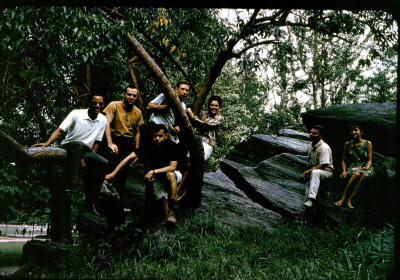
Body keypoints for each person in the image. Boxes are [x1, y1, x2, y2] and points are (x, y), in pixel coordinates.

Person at [32, 93, 109, 216]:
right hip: (69, 146)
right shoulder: (76, 114)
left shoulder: (103, 119)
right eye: (95, 103)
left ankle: (91, 201)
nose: (98, 106)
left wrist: (88, 161)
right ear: (89, 103)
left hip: (85, 151)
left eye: (101, 103)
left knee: (104, 163)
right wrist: (47, 143)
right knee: (79, 144)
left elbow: (96, 144)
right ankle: (69, 184)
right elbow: (59, 131)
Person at [103, 86, 144, 200]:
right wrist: (110, 142)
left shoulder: (138, 112)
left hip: (127, 142)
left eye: (134, 95)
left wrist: (136, 150)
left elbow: (137, 132)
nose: (131, 97)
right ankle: (103, 199)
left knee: (123, 173)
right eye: (129, 94)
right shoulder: (114, 105)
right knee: (109, 167)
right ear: (124, 94)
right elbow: (106, 123)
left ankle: (118, 202)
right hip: (113, 139)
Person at [142, 123, 183, 224]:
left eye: (160, 136)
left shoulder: (172, 146)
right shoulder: (150, 146)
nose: (157, 138)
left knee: (170, 175)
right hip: (157, 177)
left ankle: (172, 207)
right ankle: (167, 213)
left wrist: (153, 171)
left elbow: (172, 167)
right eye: (155, 136)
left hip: (173, 175)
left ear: (166, 136)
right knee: (162, 203)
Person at [334, 125, 374, 209]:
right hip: (353, 167)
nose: (353, 132)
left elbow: (370, 159)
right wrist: (344, 171)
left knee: (365, 175)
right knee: (356, 174)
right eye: (351, 130)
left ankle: (350, 199)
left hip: (364, 167)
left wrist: (367, 166)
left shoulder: (368, 143)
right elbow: (343, 160)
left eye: (356, 130)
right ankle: (342, 198)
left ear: (361, 132)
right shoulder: (348, 144)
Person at [300, 124, 334, 208]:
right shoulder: (311, 145)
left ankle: (311, 199)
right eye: (311, 132)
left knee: (315, 172)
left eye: (314, 133)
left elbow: (323, 165)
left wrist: (307, 172)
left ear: (320, 136)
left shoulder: (324, 147)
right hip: (315, 167)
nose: (311, 134)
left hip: (326, 171)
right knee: (313, 171)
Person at [186, 95, 224, 161]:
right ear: (209, 106)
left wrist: (193, 116)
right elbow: (193, 108)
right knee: (188, 160)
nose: (213, 107)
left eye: (216, 106)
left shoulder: (220, 118)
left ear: (219, 107)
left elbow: (207, 125)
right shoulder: (204, 114)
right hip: (197, 140)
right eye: (212, 105)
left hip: (208, 144)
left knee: (198, 161)